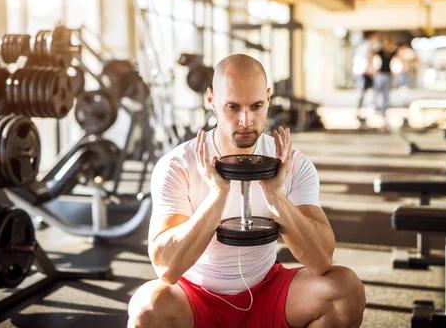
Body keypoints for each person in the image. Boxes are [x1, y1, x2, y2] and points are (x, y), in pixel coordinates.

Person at [128, 54, 366, 328]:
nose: (245, 120)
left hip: (266, 291)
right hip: (196, 299)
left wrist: (276, 197)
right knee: (149, 307)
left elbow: (322, 260)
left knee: (345, 291)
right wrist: (217, 196)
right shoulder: (178, 165)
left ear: (268, 98)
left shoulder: (293, 163)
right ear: (211, 100)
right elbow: (166, 269)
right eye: (232, 107)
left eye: (256, 106)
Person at [353, 32, 380, 125]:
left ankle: (360, 111)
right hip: (366, 72)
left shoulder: (361, 45)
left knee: (363, 92)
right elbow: (370, 57)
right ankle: (370, 109)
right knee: (371, 91)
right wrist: (371, 69)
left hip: (360, 71)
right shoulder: (369, 45)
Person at [372, 37, 397, 132]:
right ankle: (374, 108)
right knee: (376, 92)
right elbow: (372, 54)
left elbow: (396, 59)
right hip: (380, 74)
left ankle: (383, 111)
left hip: (387, 75)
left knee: (385, 95)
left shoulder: (392, 53)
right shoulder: (380, 52)